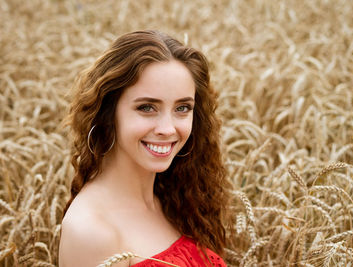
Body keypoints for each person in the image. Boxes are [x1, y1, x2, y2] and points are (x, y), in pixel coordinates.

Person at [59, 30, 231, 267]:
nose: (168, 129)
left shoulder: (178, 196)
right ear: (108, 113)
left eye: (182, 108)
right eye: (147, 107)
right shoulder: (92, 231)